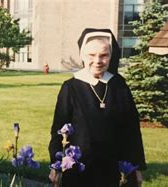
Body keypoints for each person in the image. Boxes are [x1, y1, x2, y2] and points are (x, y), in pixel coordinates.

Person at [48, 28, 146, 186]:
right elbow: (58, 129)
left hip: (112, 168)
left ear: (111, 56)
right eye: (91, 55)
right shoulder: (71, 87)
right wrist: (56, 165)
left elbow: (131, 130)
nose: (98, 61)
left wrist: (136, 167)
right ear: (82, 56)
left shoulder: (119, 85)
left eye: (104, 55)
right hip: (77, 168)